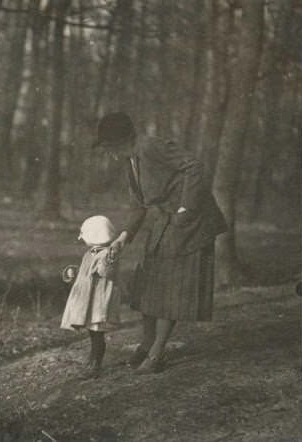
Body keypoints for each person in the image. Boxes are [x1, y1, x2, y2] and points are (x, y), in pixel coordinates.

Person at [94, 112, 226, 374]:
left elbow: (194, 166)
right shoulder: (131, 162)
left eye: (107, 145)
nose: (107, 152)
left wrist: (185, 209)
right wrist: (123, 238)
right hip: (167, 221)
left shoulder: (149, 146)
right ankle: (146, 344)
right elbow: (138, 205)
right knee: (148, 281)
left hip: (190, 222)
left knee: (171, 289)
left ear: (119, 141)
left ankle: (156, 354)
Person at [61, 215, 122, 379]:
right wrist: (73, 273)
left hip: (98, 301)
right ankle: (92, 361)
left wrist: (109, 258)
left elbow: (106, 272)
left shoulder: (107, 255)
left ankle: (95, 364)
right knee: (93, 333)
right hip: (89, 299)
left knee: (97, 333)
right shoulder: (90, 254)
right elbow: (86, 273)